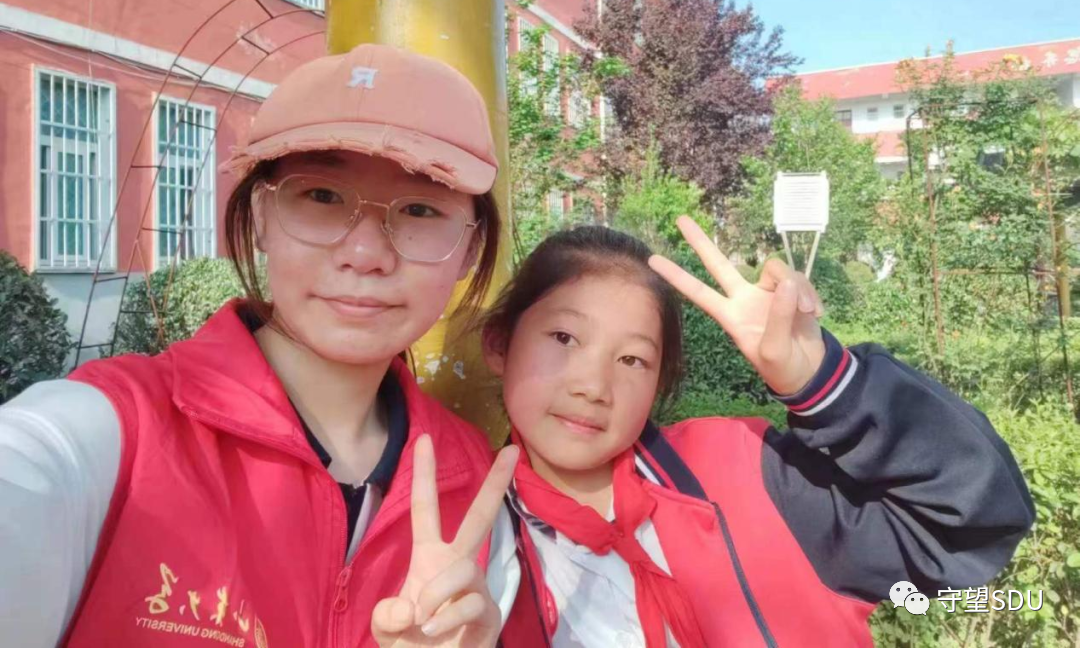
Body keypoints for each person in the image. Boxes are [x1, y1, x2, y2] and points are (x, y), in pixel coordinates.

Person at [0, 44, 521, 648]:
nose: (365, 254)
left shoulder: (475, 490)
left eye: (421, 209)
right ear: (260, 216)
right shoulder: (113, 435)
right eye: (322, 196)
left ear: (470, 250)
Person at [482, 219, 1035, 647]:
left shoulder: (738, 474)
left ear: (658, 384)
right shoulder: (470, 543)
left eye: (632, 360)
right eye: (564, 338)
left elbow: (967, 524)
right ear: (500, 343)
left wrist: (825, 381)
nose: (593, 386)